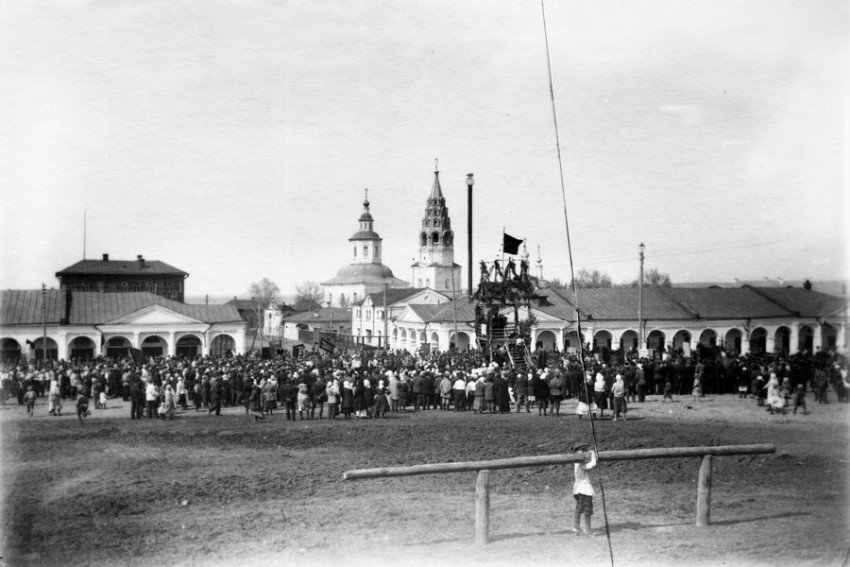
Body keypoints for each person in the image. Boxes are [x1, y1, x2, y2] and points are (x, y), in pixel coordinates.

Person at [570, 441, 597, 535]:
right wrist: (593, 455)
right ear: (577, 452)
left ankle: (576, 527)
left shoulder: (578, 461)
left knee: (580, 507)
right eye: (583, 451)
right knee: (587, 508)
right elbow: (592, 465)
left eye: (585, 450)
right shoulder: (580, 463)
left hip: (580, 488)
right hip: (583, 488)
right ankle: (586, 529)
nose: (585, 453)